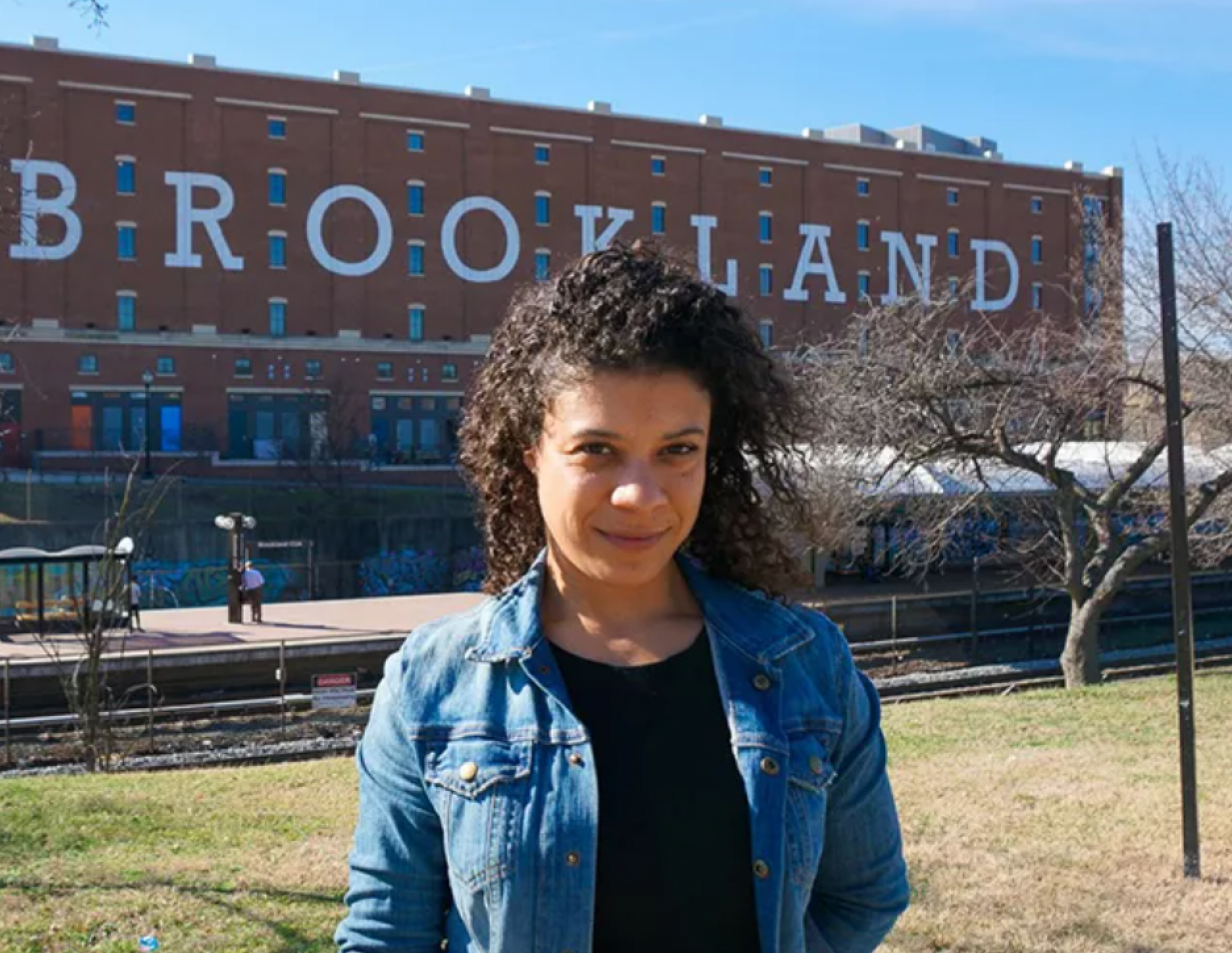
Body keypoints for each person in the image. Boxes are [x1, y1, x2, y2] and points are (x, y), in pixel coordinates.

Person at [336, 245, 908, 953]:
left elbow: (865, 896)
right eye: (597, 450)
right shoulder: (433, 684)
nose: (641, 494)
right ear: (531, 454)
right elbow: (385, 935)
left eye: (677, 451)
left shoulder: (807, 664)